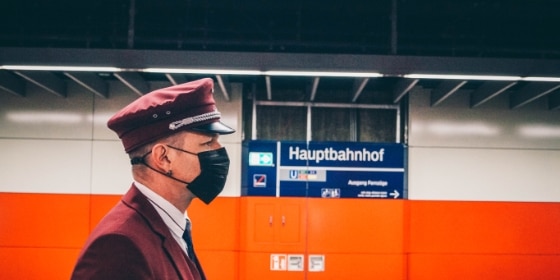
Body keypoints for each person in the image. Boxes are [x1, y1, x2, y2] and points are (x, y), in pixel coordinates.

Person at [71, 78, 235, 279]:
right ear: (164, 158)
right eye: (208, 143)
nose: (220, 152)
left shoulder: (169, 228)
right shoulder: (119, 247)